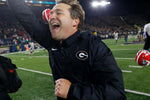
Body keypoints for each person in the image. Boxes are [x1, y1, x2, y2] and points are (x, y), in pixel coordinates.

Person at [7, 0, 126, 100]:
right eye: (51, 13)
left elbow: (117, 93)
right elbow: (25, 16)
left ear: (75, 21)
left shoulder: (93, 45)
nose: (51, 16)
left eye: (58, 13)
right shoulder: (51, 40)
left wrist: (72, 90)